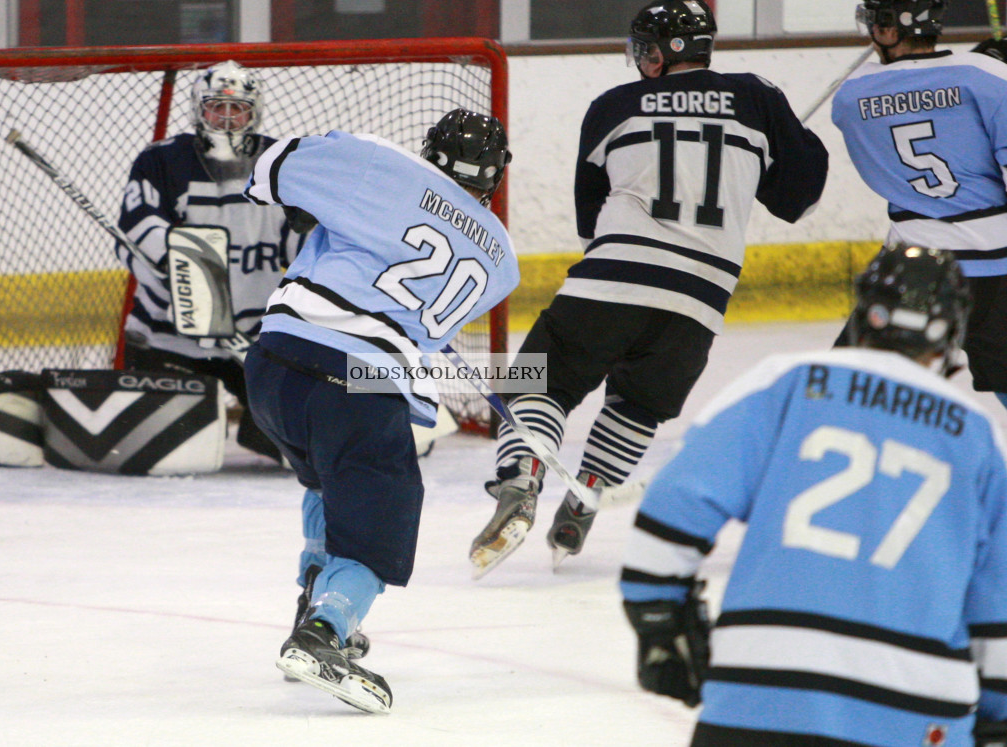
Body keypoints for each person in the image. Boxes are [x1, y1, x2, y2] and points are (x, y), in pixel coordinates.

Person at [469, 0, 829, 578]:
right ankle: (584, 497)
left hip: (610, 282)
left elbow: (591, 219)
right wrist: (787, 148)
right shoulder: (759, 98)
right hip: (699, 303)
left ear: (661, 54)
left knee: (540, 381)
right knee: (637, 405)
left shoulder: (612, 106)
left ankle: (523, 478)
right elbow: (800, 198)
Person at [620, 244, 1007, 746]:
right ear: (953, 331)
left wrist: (659, 622)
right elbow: (998, 606)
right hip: (915, 716)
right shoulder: (980, 437)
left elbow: (674, 508)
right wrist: (998, 716)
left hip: (758, 695)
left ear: (864, 314)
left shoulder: (785, 381)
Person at [241, 109, 518, 713]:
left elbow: (269, 168)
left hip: (272, 365)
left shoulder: (375, 162)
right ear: (494, 180)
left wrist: (308, 206)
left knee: (325, 478)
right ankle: (324, 633)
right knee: (381, 514)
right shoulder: (503, 259)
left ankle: (312, 599)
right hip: (361, 381)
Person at [115, 60, 307, 464]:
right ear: (198, 110)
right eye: (215, 107)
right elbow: (135, 232)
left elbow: (304, 246)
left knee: (296, 446)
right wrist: (186, 282)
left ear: (254, 112)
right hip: (168, 339)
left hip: (254, 344)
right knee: (173, 449)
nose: (226, 118)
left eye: (237, 109)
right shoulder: (161, 161)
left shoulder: (281, 163)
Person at [831, 0, 1007, 414]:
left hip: (915, 267)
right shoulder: (986, 77)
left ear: (890, 31)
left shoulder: (851, 96)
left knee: (851, 390)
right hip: (1000, 266)